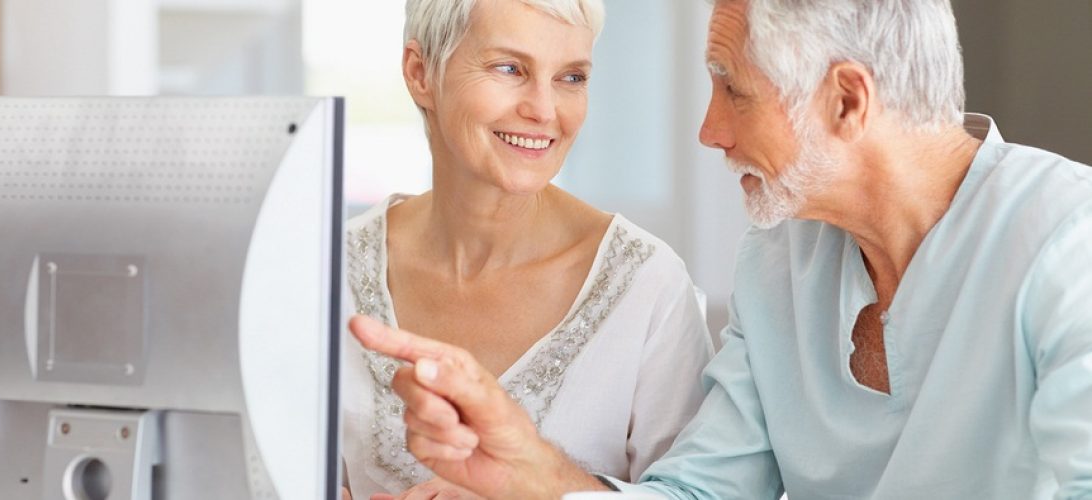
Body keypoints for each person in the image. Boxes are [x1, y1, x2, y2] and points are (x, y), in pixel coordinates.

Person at [348, 0, 1092, 497]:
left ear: (847, 100)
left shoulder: (1067, 244)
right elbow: (701, 493)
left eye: (731, 89)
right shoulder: (778, 265)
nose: (710, 131)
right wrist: (531, 469)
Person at [340, 0, 714, 498]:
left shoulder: (647, 285)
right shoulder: (329, 269)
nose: (544, 110)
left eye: (572, 77)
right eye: (509, 68)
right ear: (420, 73)